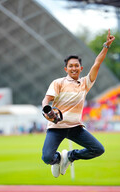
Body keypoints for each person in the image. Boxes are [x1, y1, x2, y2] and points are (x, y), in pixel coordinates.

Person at [42, 29, 115, 178]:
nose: (74, 68)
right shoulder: (58, 82)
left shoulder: (85, 83)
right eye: (71, 66)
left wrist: (106, 46)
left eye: (76, 66)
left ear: (81, 68)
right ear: (66, 69)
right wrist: (46, 110)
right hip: (56, 127)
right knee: (46, 157)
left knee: (98, 149)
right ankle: (58, 159)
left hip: (75, 128)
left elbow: (97, 63)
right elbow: (46, 100)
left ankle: (70, 156)